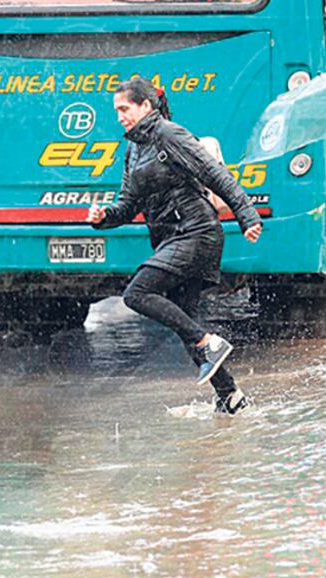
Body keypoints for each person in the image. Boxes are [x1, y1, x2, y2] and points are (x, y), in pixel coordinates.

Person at [87, 77, 263, 414]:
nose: (119, 116)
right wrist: (104, 217)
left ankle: (211, 343)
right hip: (173, 237)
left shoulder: (170, 134)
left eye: (124, 109)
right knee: (186, 321)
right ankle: (231, 396)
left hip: (197, 232)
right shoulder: (134, 148)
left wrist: (246, 213)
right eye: (116, 111)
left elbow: (215, 174)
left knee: (136, 294)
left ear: (145, 106)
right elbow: (127, 204)